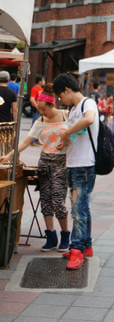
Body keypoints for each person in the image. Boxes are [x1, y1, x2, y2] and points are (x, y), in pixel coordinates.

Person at [0, 83, 70, 252]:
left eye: (43, 109)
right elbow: (26, 141)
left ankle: (65, 236)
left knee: (58, 201)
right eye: (39, 109)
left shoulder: (67, 116)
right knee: (45, 201)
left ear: (52, 105)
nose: (41, 112)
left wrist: (69, 139)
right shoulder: (40, 121)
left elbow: (79, 132)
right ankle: (51, 237)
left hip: (62, 162)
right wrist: (9, 155)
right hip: (45, 162)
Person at [53, 73, 99, 270]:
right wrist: (63, 140)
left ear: (67, 90)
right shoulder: (72, 110)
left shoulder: (88, 104)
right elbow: (74, 136)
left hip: (84, 165)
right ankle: (86, 246)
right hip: (74, 164)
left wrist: (67, 132)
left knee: (78, 209)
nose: (59, 100)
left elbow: (89, 120)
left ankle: (77, 250)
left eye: (60, 96)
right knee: (82, 207)